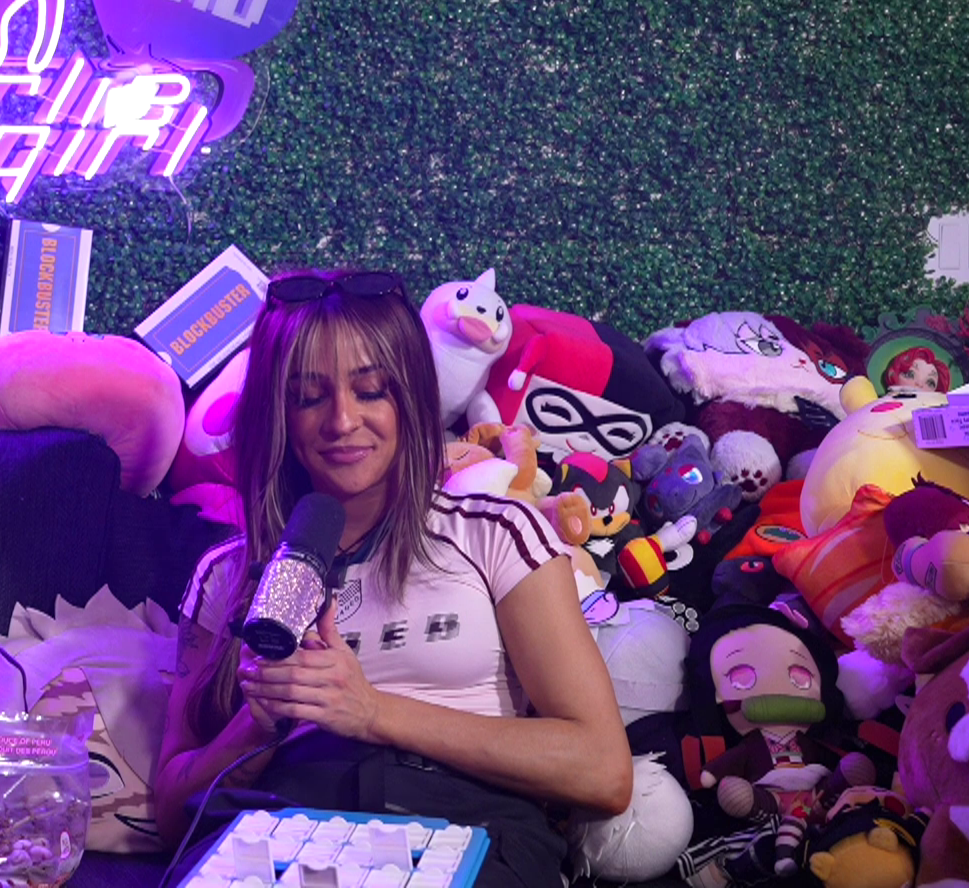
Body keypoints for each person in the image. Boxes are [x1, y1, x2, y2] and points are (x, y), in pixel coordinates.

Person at [153, 269, 633, 887]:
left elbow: (603, 771)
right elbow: (174, 816)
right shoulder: (225, 575)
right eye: (308, 396)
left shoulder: (495, 531)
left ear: (410, 397)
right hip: (277, 830)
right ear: (278, 414)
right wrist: (257, 723)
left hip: (463, 824)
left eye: (371, 390)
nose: (342, 420)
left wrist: (372, 712)